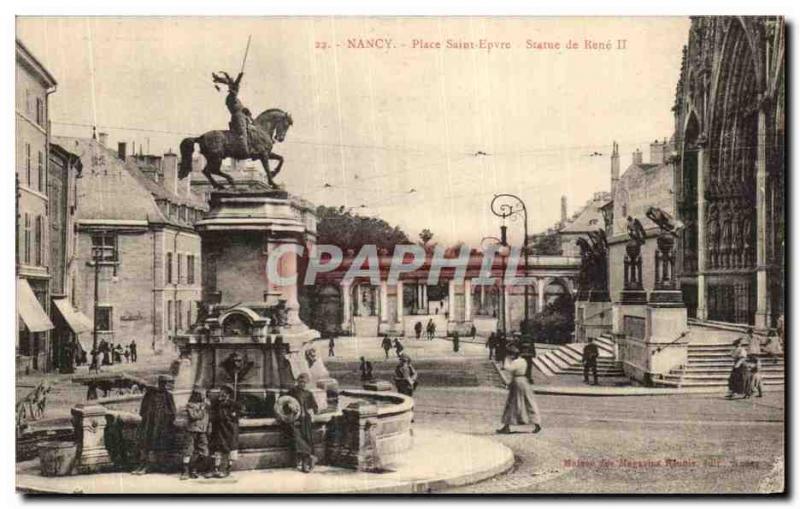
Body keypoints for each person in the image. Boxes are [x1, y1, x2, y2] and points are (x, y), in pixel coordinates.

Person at [132, 375, 177, 475]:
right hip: (149, 423)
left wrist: (166, 419)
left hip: (161, 425)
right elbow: (142, 409)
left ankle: (149, 466)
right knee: (144, 444)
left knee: (155, 445)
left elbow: (173, 411)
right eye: (161, 383)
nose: (163, 385)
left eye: (164, 383)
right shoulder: (150, 394)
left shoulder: (168, 395)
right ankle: (143, 465)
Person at [497, 344, 542, 434]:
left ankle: (507, 427)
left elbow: (507, 368)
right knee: (528, 402)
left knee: (512, 404)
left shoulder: (516, 362)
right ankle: (537, 424)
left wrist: (506, 359)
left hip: (517, 382)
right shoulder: (523, 361)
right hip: (524, 381)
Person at [212, 70, 253, 157]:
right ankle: (243, 149)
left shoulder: (236, 98)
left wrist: (247, 112)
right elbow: (235, 87)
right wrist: (239, 78)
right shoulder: (231, 98)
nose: (237, 90)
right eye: (234, 89)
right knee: (243, 133)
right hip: (238, 118)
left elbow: (235, 87)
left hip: (243, 117)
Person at [286, 374, 319, 473]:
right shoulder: (292, 392)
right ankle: (309, 458)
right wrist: (289, 405)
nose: (303, 384)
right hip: (295, 419)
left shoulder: (309, 393)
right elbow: (282, 402)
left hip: (306, 420)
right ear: (297, 381)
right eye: (301, 382)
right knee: (297, 437)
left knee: (307, 438)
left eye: (305, 382)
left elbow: (315, 407)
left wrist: (312, 412)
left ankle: (306, 461)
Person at [207, 384, 241, 478]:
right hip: (219, 429)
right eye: (221, 391)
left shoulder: (233, 404)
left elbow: (237, 415)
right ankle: (215, 469)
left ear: (228, 394)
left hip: (230, 429)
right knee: (217, 449)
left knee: (230, 449)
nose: (221, 393)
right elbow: (212, 414)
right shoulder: (216, 403)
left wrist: (232, 416)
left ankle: (227, 469)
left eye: (224, 391)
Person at [180, 388, 210, 480]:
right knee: (188, 450)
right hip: (191, 430)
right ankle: (185, 471)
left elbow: (208, 417)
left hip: (202, 431)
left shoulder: (205, 405)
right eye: (202, 395)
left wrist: (208, 427)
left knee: (204, 452)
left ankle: (194, 469)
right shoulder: (190, 405)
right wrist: (202, 408)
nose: (204, 396)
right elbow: (194, 416)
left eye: (204, 395)